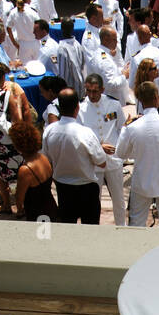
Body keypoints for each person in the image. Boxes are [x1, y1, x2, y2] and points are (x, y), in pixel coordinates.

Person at [116, 80, 159, 227]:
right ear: (156, 97)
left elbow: (121, 153)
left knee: (136, 222)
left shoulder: (131, 127)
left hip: (142, 182)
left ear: (140, 100)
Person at [42, 89, 107, 224]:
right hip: (87, 189)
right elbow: (101, 162)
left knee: (68, 228)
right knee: (90, 231)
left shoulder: (49, 131)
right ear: (77, 107)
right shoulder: (85, 133)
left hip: (63, 189)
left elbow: (46, 160)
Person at [0, 61, 33, 213]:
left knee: (2, 174)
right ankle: (21, 207)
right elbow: (19, 119)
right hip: (12, 140)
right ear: (3, 76)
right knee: (21, 173)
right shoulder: (10, 92)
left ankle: (7, 204)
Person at [80, 73, 127, 226]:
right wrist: (99, 147)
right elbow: (79, 136)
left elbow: (122, 128)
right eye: (88, 91)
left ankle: (122, 227)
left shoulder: (113, 104)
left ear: (102, 89)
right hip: (93, 161)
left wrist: (120, 150)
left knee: (119, 198)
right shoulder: (81, 108)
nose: (92, 95)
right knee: (94, 200)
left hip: (113, 159)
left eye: (95, 91)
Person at [10, 120, 57, 221]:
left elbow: (19, 198)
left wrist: (19, 210)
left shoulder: (25, 170)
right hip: (51, 207)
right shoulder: (43, 157)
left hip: (38, 215)